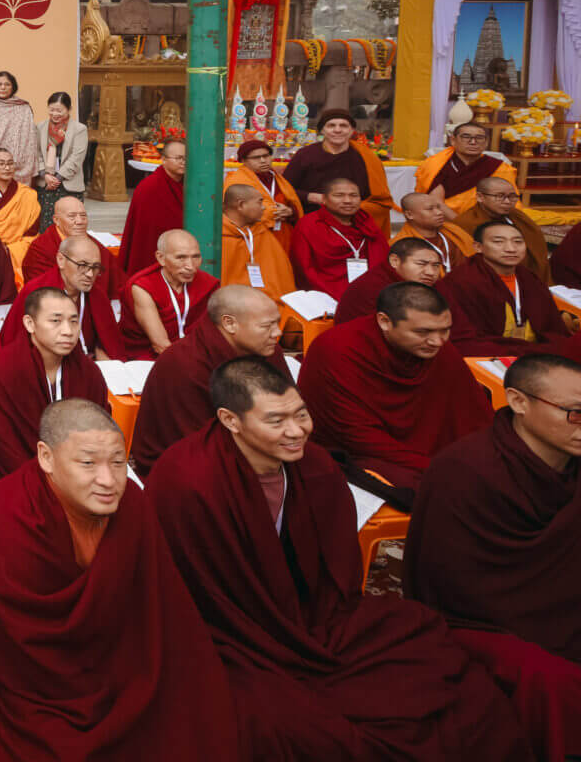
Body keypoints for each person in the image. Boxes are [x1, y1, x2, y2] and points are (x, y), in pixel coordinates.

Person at [147, 358, 530, 762]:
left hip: (316, 618)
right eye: (276, 421)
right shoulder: (186, 479)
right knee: (283, 725)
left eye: (301, 414)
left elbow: (337, 575)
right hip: (231, 632)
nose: (296, 432)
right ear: (230, 420)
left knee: (433, 658)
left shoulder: (315, 465)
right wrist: (269, 632)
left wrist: (308, 623)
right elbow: (187, 586)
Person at [0, 399, 236, 758]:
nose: (108, 480)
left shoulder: (132, 503)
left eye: (118, 462)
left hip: (116, 669)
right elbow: (10, 645)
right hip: (28, 683)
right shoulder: (1, 518)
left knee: (196, 715)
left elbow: (156, 602)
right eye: (88, 463)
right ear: (46, 458)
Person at [408, 353, 581, 754]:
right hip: (484, 623)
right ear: (519, 403)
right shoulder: (463, 471)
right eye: (574, 412)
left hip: (565, 605)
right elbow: (452, 587)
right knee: (549, 678)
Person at [298, 282, 491, 502]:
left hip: (435, 453)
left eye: (445, 330)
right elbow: (356, 437)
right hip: (363, 455)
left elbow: (473, 415)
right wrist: (439, 467)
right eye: (423, 332)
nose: (437, 341)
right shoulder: (336, 350)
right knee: (430, 488)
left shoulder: (438, 349)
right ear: (384, 322)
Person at [131, 285, 292, 474]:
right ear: (230, 324)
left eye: (277, 323)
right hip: (189, 463)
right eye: (267, 326)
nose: (277, 333)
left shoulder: (267, 349)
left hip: (261, 442)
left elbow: (290, 403)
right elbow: (195, 444)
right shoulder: (185, 365)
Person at [0, 287, 109, 479]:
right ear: (30, 324)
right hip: (18, 477)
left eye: (74, 321)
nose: (68, 331)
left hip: (78, 476)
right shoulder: (0, 369)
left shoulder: (88, 373)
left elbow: (99, 433)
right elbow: (1, 445)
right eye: (56, 321)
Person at [441, 219, 573, 355]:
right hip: (491, 353)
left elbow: (552, 327)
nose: (511, 249)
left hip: (532, 349)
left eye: (518, 242)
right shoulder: (462, 281)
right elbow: (465, 339)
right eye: (498, 242)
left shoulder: (528, 278)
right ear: (478, 247)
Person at [3, 232, 122, 357]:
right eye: (82, 265)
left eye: (95, 267)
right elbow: (15, 346)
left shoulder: (97, 295)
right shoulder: (36, 292)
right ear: (61, 260)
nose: (90, 274)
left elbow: (110, 343)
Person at [283, 108, 394, 230]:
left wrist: (350, 207)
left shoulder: (365, 157)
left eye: (343, 126)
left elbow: (379, 200)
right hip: (313, 221)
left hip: (355, 222)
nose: (337, 130)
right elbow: (284, 188)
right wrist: (311, 196)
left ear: (352, 130)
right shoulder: (305, 155)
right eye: (331, 125)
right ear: (322, 130)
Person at [290, 175, 390, 297]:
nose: (348, 200)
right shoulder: (308, 225)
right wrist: (332, 298)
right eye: (339, 195)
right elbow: (304, 269)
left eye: (354, 196)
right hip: (326, 294)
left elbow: (382, 262)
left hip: (369, 292)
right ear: (324, 199)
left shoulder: (366, 222)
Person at [122, 229, 216, 358]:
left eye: (196, 257)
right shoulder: (143, 287)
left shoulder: (208, 284)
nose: (190, 266)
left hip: (195, 354)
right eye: (181, 258)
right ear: (161, 258)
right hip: (150, 358)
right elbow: (160, 344)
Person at [21, 194, 124, 299]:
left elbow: (118, 281)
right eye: (72, 216)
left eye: (83, 216)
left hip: (92, 305)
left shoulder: (95, 246)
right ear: (56, 220)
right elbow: (39, 291)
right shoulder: (42, 248)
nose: (79, 221)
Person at [455, 176, 551, 281]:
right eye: (500, 196)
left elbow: (538, 251)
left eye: (512, 196)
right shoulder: (466, 223)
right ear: (480, 197)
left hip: (528, 279)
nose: (507, 201)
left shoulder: (518, 217)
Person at [334, 236, 445, 324]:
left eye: (435, 265)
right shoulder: (372, 287)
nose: (430, 272)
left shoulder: (429, 285)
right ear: (394, 261)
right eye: (421, 264)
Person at [415, 121, 517, 215]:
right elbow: (435, 202)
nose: (473, 142)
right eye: (466, 137)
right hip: (443, 218)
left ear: (486, 143)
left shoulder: (499, 167)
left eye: (479, 137)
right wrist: (462, 224)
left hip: (487, 219)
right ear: (453, 140)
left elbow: (508, 200)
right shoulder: (437, 165)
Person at [119, 138, 186, 275]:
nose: (183, 162)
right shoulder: (149, 187)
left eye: (186, 158)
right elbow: (144, 232)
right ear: (163, 159)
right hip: (153, 251)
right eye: (178, 158)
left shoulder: (188, 184)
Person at [220, 184, 294, 298]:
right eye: (260, 202)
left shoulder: (261, 233)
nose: (264, 208)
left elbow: (282, 281)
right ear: (241, 205)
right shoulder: (218, 237)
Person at [225, 138, 303, 240]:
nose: (263, 160)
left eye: (266, 156)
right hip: (254, 235)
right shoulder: (236, 180)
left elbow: (293, 202)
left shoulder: (276, 177)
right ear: (243, 160)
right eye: (256, 157)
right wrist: (273, 212)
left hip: (283, 233)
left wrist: (290, 211)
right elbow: (234, 211)